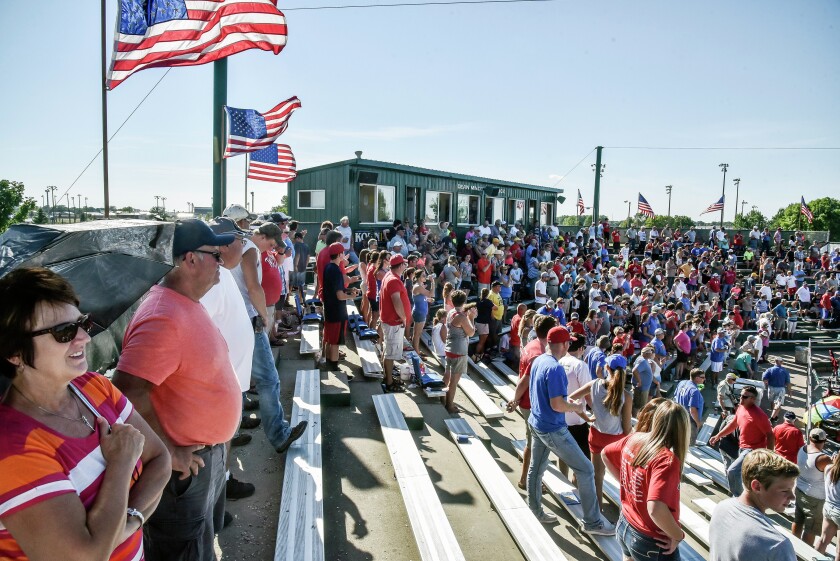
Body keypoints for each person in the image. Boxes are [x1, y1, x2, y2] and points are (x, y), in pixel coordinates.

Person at [112, 219, 278, 559]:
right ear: (189, 259)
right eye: (214, 255)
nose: (221, 263)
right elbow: (127, 390)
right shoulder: (163, 316)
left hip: (206, 456)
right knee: (183, 548)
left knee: (200, 540)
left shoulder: (186, 302)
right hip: (184, 467)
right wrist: (168, 450)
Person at [0, 267, 170, 560]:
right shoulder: (13, 447)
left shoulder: (94, 387)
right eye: (63, 332)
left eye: (82, 323)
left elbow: (160, 460)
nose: (84, 338)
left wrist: (126, 525)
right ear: (14, 351)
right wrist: (122, 462)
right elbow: (85, 557)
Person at [227, 220, 309, 453]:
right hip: (249, 320)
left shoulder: (238, 248)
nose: (271, 248)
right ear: (261, 236)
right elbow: (254, 287)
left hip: (234, 321)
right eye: (271, 243)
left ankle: (232, 431)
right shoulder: (250, 250)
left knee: (237, 380)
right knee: (269, 380)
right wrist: (264, 316)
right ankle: (279, 434)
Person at [526, 326, 615, 535]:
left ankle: (534, 509)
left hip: (536, 422)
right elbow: (557, 404)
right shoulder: (555, 368)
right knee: (586, 469)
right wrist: (575, 406)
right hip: (552, 428)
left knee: (536, 469)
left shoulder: (539, 359)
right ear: (565, 344)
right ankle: (593, 523)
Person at [603, 401, 689, 560]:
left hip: (624, 524)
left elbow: (605, 454)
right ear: (683, 429)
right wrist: (678, 535)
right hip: (651, 539)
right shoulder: (666, 460)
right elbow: (655, 508)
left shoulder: (635, 438)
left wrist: (627, 484)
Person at [568, 354, 632, 511]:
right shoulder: (626, 395)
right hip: (617, 441)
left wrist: (586, 416)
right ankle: (628, 509)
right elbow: (627, 426)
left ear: (607, 368)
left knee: (598, 476)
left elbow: (570, 399)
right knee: (623, 477)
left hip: (596, 435)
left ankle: (599, 508)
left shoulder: (594, 384)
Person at [709, 449, 798, 561]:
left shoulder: (721, 508)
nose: (792, 497)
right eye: (785, 491)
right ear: (757, 486)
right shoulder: (777, 545)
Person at [506, 315, 556, 489]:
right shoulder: (538, 354)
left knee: (533, 442)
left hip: (527, 402)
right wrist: (515, 399)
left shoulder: (531, 345)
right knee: (534, 445)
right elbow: (525, 380)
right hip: (531, 404)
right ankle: (527, 480)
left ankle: (529, 477)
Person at [709, 385, 774, 497]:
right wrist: (718, 436)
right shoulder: (740, 408)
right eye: (740, 395)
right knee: (746, 476)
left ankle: (737, 497)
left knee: (732, 471)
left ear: (752, 399)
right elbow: (733, 424)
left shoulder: (760, 416)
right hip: (742, 448)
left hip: (752, 451)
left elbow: (770, 435)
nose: (741, 398)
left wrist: (770, 454)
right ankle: (752, 498)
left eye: (744, 397)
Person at [323, 242, 361, 371]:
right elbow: (339, 295)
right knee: (335, 342)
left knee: (330, 339)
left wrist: (349, 291)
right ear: (339, 254)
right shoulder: (336, 271)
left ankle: (329, 360)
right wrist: (352, 296)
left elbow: (334, 291)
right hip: (337, 311)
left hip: (329, 309)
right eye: (343, 253)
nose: (344, 255)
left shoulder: (328, 267)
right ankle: (334, 367)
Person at [792, 428, 831, 546]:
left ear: (809, 438)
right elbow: (832, 475)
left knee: (798, 520)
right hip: (815, 498)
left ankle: (794, 545)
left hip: (799, 490)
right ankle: (804, 553)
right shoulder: (823, 458)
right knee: (811, 528)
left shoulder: (801, 449)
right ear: (824, 440)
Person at [380, 254, 412, 393]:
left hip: (390, 321)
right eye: (404, 264)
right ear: (400, 266)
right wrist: (404, 317)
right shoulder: (393, 279)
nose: (405, 265)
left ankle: (387, 377)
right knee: (390, 354)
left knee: (388, 351)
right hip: (393, 322)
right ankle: (388, 382)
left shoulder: (389, 275)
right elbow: (396, 301)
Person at [442, 290, 477, 413]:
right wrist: (471, 318)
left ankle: (443, 398)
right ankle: (449, 405)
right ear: (464, 301)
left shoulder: (451, 311)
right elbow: (471, 333)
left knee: (447, 375)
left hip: (449, 348)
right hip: (459, 350)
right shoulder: (462, 317)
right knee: (454, 380)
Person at [815, 451, 840, 559]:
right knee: (839, 550)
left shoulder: (828, 468)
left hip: (828, 507)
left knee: (823, 540)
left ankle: (814, 558)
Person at [674, 368, 705, 444]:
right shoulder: (694, 391)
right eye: (703, 377)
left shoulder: (682, 383)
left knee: (679, 440)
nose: (704, 379)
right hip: (690, 421)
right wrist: (698, 422)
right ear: (697, 378)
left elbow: (675, 397)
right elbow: (692, 410)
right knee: (690, 444)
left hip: (679, 416)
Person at [762, 356, 792, 423]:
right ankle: (772, 418)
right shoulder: (785, 371)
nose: (782, 362)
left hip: (771, 388)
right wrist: (790, 391)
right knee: (778, 404)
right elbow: (788, 382)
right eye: (782, 361)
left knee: (772, 401)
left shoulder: (769, 369)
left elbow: (764, 379)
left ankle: (775, 415)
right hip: (780, 389)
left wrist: (765, 383)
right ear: (780, 362)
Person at [631, 346, 656, 415]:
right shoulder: (642, 361)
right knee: (638, 406)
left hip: (643, 388)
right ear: (646, 354)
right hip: (641, 389)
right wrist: (639, 381)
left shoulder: (642, 359)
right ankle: (635, 421)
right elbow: (634, 370)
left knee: (640, 405)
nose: (651, 354)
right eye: (650, 352)